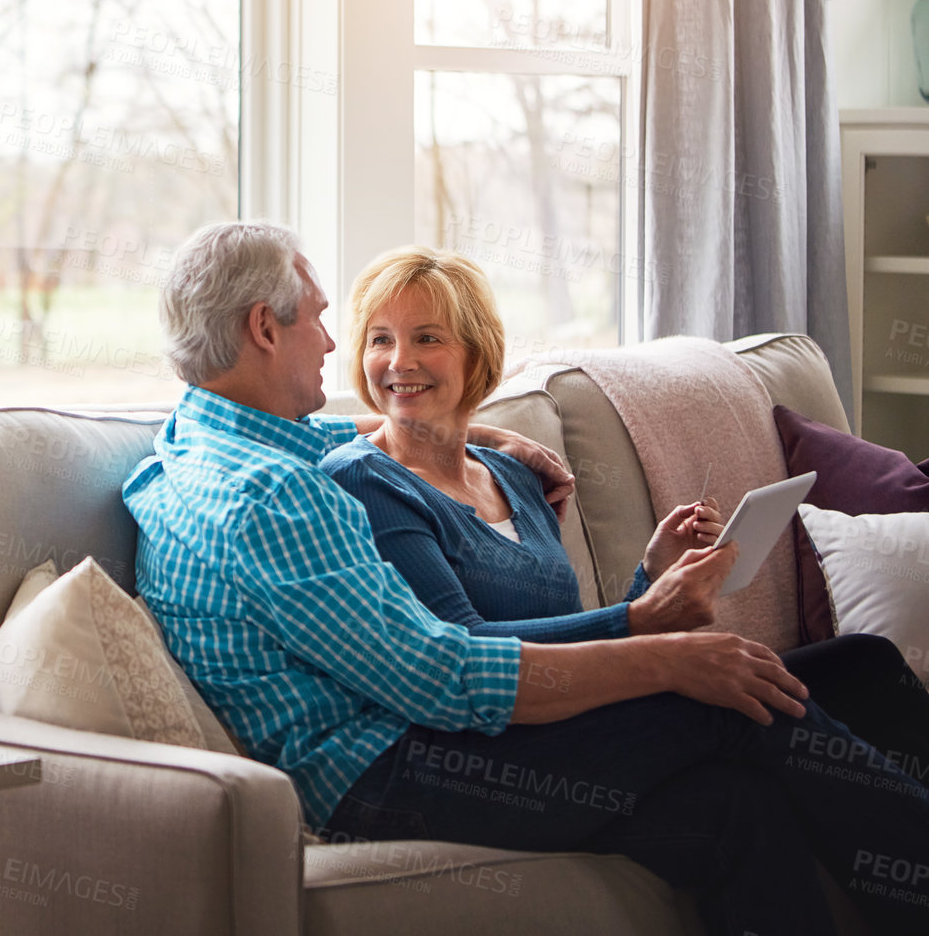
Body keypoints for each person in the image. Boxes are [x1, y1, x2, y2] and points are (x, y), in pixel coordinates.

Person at [124, 220, 929, 936]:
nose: (333, 346)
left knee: (731, 809)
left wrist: (485, 440)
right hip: (386, 766)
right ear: (265, 328)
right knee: (735, 705)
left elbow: (346, 436)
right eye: (328, 321)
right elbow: (440, 673)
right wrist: (664, 651)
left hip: (398, 741)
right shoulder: (278, 496)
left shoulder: (188, 446)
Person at [321, 245, 929, 779]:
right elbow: (464, 644)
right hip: (509, 737)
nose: (399, 360)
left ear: (477, 353)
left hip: (592, 699)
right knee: (753, 717)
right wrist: (642, 619)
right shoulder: (367, 480)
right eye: (381, 339)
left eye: (427, 337)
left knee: (862, 661)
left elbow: (569, 629)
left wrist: (653, 573)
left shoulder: (513, 473)